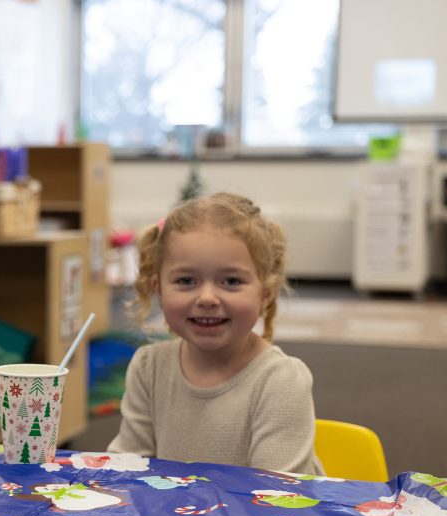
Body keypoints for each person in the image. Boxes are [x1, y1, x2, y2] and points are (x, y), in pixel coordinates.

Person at [107, 192, 323, 475]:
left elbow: (275, 497)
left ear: (266, 293)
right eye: (186, 280)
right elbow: (128, 467)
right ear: (158, 289)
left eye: (231, 281)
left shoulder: (281, 380)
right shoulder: (149, 367)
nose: (207, 298)